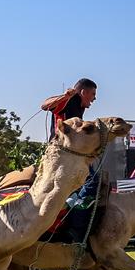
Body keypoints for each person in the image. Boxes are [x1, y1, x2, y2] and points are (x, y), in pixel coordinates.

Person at [41, 78, 99, 242]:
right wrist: (65, 96)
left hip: (69, 154)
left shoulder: (79, 107)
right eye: (93, 94)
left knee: (88, 183)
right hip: (62, 154)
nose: (94, 98)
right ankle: (76, 228)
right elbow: (45, 105)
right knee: (93, 181)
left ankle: (71, 212)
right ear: (83, 92)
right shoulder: (70, 100)